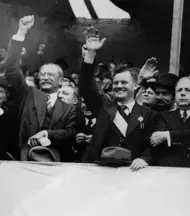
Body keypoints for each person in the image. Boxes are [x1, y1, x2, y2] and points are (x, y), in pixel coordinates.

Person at [78, 26, 157, 171]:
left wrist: (145, 158)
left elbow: (151, 143)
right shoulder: (104, 105)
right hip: (99, 170)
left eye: (124, 83)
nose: (118, 86)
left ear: (135, 85)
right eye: (116, 83)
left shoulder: (147, 113)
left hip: (132, 172)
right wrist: (90, 54)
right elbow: (85, 87)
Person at [5, 15, 76, 162]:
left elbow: (71, 132)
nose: (44, 77)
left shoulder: (69, 108)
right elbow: (11, 68)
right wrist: (21, 32)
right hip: (24, 159)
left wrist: (47, 134)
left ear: (61, 80)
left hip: (55, 161)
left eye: (50, 75)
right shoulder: (28, 94)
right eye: (42, 74)